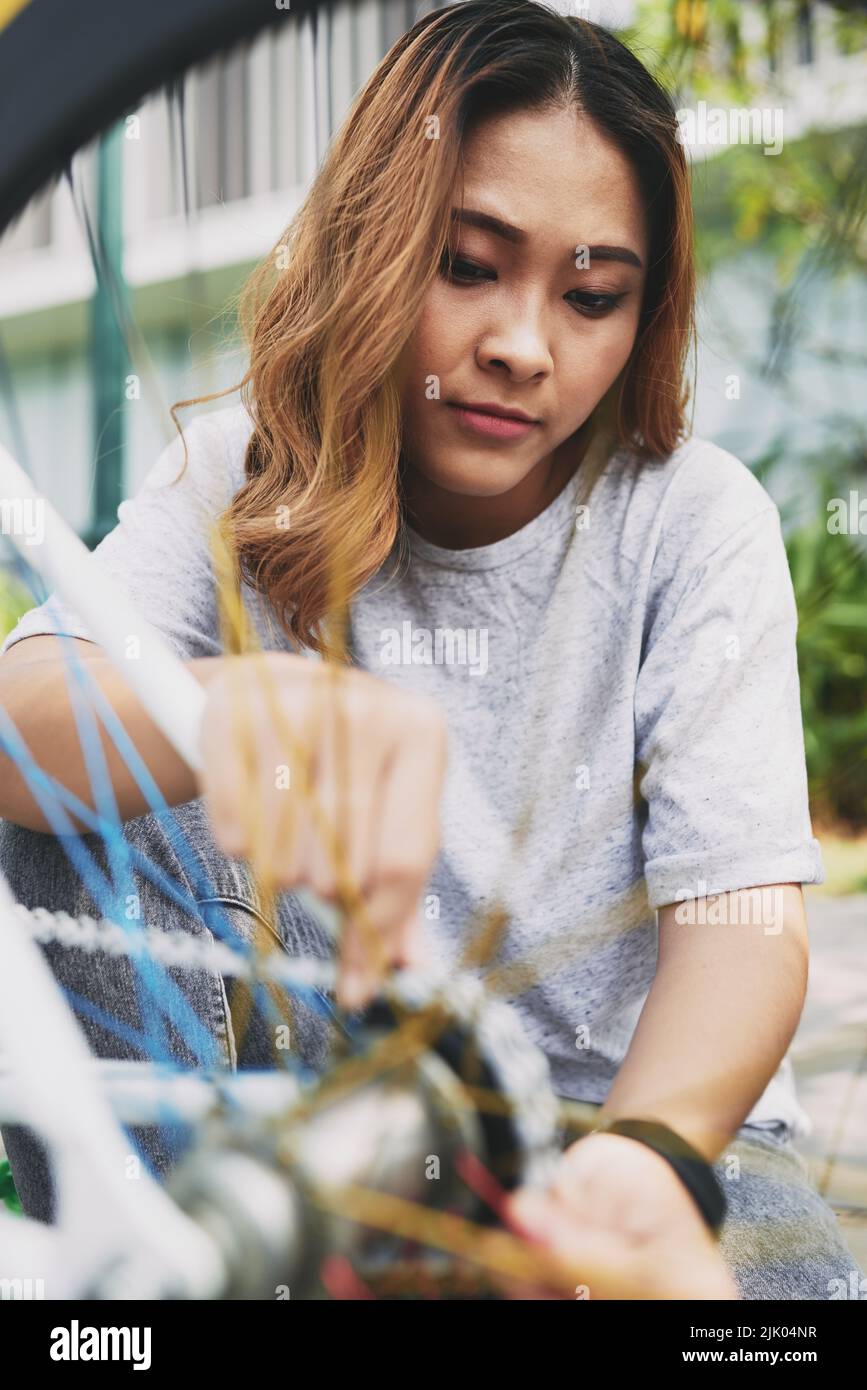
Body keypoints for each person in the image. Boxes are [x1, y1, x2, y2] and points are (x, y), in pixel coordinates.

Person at [0, 0, 861, 1300]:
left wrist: (644, 1158)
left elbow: (746, 925)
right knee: (77, 764)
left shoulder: (691, 521)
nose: (523, 344)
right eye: (468, 265)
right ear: (374, 243)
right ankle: (161, 1268)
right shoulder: (241, 477)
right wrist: (226, 707)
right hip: (344, 1150)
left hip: (642, 1154)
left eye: (591, 296)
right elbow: (15, 718)